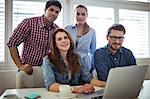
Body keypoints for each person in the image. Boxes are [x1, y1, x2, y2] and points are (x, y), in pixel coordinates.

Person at [41, 28, 105, 94]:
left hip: (76, 96)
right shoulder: (48, 59)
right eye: (59, 39)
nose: (64, 41)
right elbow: (51, 85)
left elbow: (88, 78)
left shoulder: (76, 57)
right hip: (59, 95)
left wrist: (106, 84)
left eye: (65, 38)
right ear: (55, 44)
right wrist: (76, 90)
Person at [7, 0, 62, 75]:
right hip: (29, 70)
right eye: (51, 10)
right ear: (45, 10)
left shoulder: (56, 29)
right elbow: (12, 43)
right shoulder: (29, 23)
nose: (53, 13)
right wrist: (20, 66)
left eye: (57, 12)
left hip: (47, 70)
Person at [65, 5, 96, 72]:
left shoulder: (92, 31)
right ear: (74, 15)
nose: (80, 17)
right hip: (69, 63)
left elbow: (92, 52)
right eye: (78, 14)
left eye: (83, 14)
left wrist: (93, 68)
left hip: (85, 65)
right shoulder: (67, 29)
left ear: (87, 15)